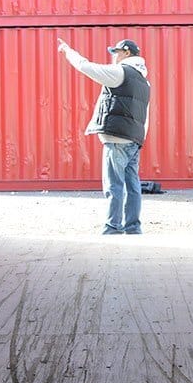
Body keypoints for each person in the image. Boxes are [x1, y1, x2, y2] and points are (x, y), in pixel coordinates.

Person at [57, 37, 151, 235]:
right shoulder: (144, 81)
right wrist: (140, 139)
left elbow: (86, 67)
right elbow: (146, 114)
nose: (114, 57)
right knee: (132, 186)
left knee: (114, 185)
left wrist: (68, 52)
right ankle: (133, 227)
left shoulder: (120, 72)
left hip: (116, 138)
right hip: (134, 139)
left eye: (116, 52)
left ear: (126, 52)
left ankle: (112, 227)